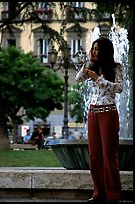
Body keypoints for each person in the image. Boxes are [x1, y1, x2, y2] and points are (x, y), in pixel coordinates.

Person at [75, 37, 123, 203]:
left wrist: (98, 78)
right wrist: (88, 63)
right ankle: (98, 193)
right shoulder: (92, 67)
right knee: (94, 154)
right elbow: (78, 78)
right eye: (93, 48)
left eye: (96, 49)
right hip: (93, 112)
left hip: (108, 112)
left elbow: (119, 88)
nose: (94, 51)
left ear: (104, 50)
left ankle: (114, 195)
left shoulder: (116, 67)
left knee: (109, 155)